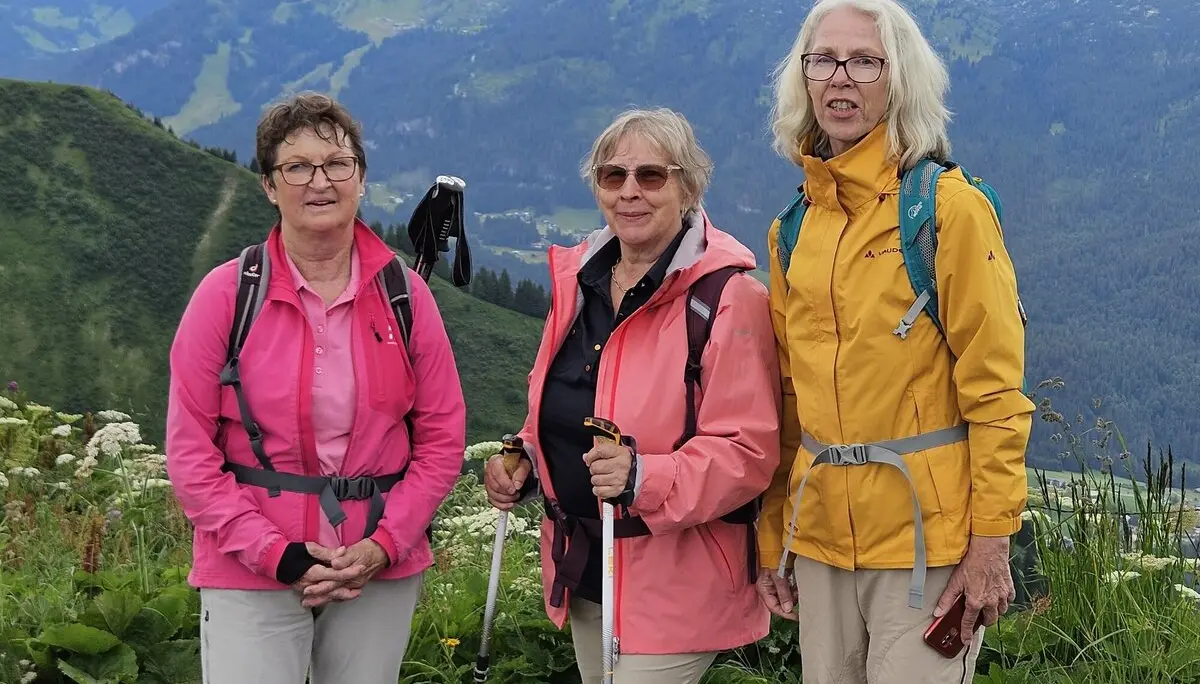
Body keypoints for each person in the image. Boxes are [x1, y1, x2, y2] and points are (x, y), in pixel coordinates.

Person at [755, 1, 1036, 682]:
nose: (840, 79)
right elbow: (790, 400)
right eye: (823, 60)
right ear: (803, 77)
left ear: (899, 79)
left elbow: (996, 391)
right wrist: (774, 538)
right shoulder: (793, 230)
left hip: (926, 547)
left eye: (864, 61)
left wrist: (990, 545)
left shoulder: (947, 210)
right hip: (818, 541)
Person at [165, 92, 467, 684]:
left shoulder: (406, 298)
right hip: (249, 567)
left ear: (361, 179)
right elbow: (190, 455)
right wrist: (274, 553)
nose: (319, 181)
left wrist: (384, 545)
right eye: (296, 166)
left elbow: (441, 439)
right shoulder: (226, 296)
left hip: (376, 568)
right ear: (269, 186)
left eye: (336, 163)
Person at [483, 107, 782, 684]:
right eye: (611, 176)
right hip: (587, 569)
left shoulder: (728, 296)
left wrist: (643, 476)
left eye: (651, 176)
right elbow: (565, 403)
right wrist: (524, 454)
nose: (629, 193)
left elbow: (749, 453)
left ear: (688, 185)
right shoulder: (578, 284)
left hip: (674, 583)